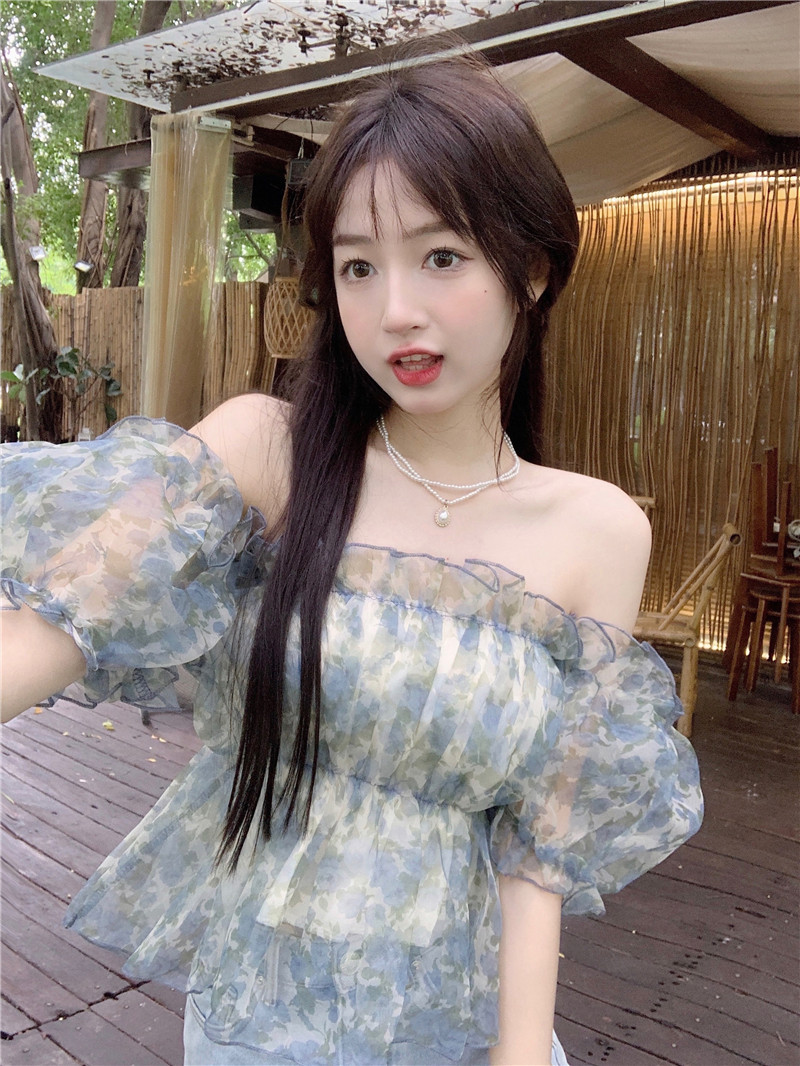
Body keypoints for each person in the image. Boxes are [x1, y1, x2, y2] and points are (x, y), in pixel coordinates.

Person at [0, 54, 702, 1066]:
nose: (395, 309)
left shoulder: (596, 532)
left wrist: (517, 1056)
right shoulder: (264, 454)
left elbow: (538, 850)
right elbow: (46, 632)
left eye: (441, 256)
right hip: (263, 1027)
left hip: (461, 1027)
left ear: (533, 268)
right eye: (358, 266)